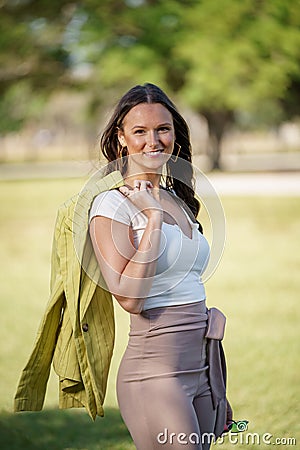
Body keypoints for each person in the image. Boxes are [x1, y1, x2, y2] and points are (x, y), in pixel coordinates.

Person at [88, 83, 230, 450]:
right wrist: (151, 219)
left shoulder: (177, 197)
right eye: (140, 131)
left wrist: (216, 384)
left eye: (162, 129)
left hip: (202, 366)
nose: (154, 140)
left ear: (175, 135)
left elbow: (188, 282)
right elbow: (130, 299)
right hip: (155, 373)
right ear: (121, 139)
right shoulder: (111, 207)